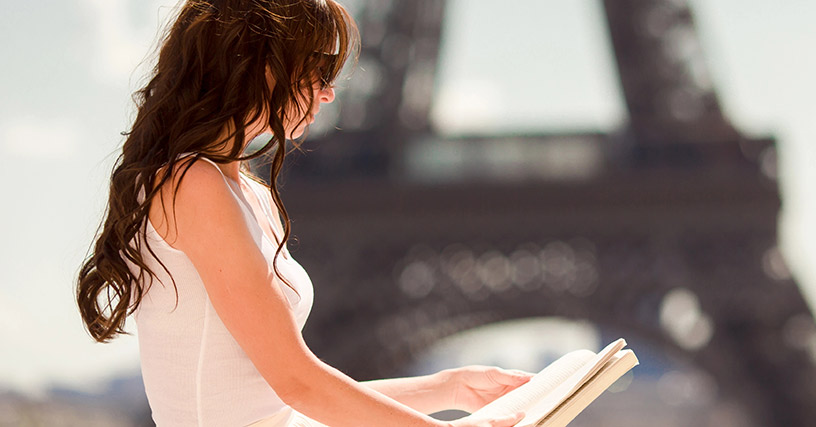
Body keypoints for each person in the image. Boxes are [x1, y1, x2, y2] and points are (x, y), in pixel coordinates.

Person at [74, 1, 531, 426]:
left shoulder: (248, 193)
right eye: (320, 69)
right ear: (261, 64)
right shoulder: (192, 184)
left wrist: (448, 386)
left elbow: (280, 404)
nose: (330, 93)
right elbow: (298, 385)